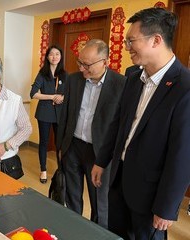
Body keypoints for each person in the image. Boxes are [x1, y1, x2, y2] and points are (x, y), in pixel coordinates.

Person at [91, 8, 190, 240]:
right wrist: (101, 161)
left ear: (156, 40)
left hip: (151, 194)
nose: (127, 47)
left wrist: (167, 207)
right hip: (120, 181)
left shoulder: (184, 87)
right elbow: (118, 124)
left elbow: (182, 155)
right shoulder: (134, 77)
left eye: (131, 41)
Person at [56, 39, 126, 228]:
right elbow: (66, 115)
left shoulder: (121, 84)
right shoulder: (74, 80)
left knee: (99, 201)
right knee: (72, 194)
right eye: (80, 63)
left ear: (105, 61)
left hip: (100, 153)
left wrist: (110, 158)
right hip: (73, 146)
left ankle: (97, 232)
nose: (82, 69)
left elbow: (121, 125)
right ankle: (73, 228)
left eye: (87, 64)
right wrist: (61, 146)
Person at [30, 45, 67, 183]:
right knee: (44, 143)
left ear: (61, 57)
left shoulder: (65, 74)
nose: (54, 56)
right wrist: (52, 97)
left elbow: (69, 93)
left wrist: (62, 97)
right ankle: (43, 170)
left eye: (57, 54)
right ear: (47, 57)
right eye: (51, 54)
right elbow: (33, 94)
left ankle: (61, 170)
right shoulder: (42, 74)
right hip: (44, 113)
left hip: (60, 114)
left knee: (60, 144)